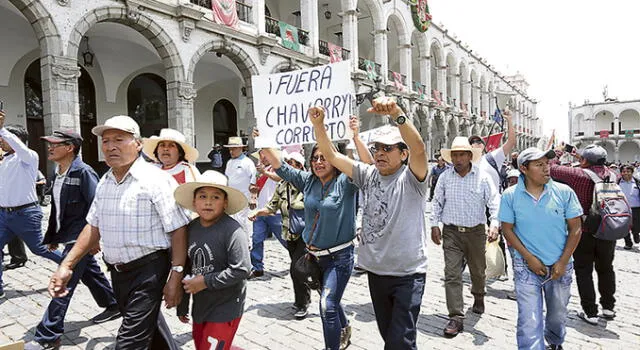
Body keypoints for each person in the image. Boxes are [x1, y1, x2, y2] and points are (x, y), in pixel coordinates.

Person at [47, 115, 191, 348]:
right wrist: (67, 265)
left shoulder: (156, 180)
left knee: (128, 342)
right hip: (118, 272)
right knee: (152, 333)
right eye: (106, 141)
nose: (111, 146)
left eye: (119, 139)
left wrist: (175, 275)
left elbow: (178, 229)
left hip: (149, 271)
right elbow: (93, 226)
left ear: (138, 144)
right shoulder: (106, 181)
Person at [309, 98, 429, 349]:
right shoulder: (367, 174)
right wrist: (319, 125)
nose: (380, 154)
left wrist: (397, 113)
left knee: (399, 341)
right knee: (391, 335)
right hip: (377, 272)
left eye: (388, 148)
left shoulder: (412, 179)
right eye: (377, 149)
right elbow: (331, 154)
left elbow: (419, 148)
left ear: (402, 153)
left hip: (408, 274)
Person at [261, 134, 359, 350]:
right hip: (313, 256)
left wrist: (356, 137)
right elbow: (281, 166)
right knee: (330, 300)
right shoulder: (308, 181)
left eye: (324, 157)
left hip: (339, 257)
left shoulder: (347, 181)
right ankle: (344, 329)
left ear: (335, 159)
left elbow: (364, 166)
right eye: (315, 158)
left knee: (327, 305)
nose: (318, 162)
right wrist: (264, 141)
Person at [25, 131, 121, 350]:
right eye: (49, 144)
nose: (50, 148)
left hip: (82, 238)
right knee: (89, 272)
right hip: (69, 236)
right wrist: (53, 237)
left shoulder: (84, 172)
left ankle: (47, 335)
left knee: (63, 281)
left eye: (54, 144)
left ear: (70, 148)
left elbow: (97, 207)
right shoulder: (57, 171)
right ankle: (112, 303)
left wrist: (94, 239)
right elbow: (57, 209)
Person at [499, 148, 583, 350]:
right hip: (525, 267)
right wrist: (529, 258)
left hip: (559, 267)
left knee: (558, 315)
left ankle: (554, 342)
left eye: (547, 164)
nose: (547, 169)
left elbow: (576, 228)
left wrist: (562, 261)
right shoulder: (510, 195)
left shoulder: (564, 192)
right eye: (539, 165)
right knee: (529, 318)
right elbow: (507, 229)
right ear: (524, 169)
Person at [430, 136, 500, 338]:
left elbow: (494, 202)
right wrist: (434, 224)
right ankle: (456, 317)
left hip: (476, 233)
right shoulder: (444, 177)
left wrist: (494, 224)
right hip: (451, 233)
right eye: (454, 155)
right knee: (452, 274)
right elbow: (436, 202)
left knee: (478, 271)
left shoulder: (483, 177)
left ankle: (479, 295)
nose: (457, 158)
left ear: (470, 156)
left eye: (461, 154)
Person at [174, 170, 251, 350]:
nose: (208, 202)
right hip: (201, 306)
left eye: (215, 197)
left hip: (226, 306)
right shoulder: (191, 228)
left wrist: (206, 281)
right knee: (202, 345)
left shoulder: (232, 230)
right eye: (202, 196)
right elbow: (186, 268)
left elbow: (242, 269)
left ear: (225, 203)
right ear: (194, 202)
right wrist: (182, 304)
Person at [549, 144, 618, 325]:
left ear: (585, 160)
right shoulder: (613, 175)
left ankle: (590, 312)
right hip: (607, 229)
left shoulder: (578, 175)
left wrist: (559, 153)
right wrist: (582, 158)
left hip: (585, 230)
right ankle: (608, 307)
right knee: (606, 268)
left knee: (584, 271)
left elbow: (552, 167)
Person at [0, 112, 62, 299]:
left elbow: (21, 149)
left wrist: (2, 128)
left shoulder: (29, 158)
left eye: (3, 138)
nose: (1, 142)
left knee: (39, 248)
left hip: (25, 214)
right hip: (4, 215)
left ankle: (71, 264)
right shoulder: (4, 161)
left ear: (16, 140)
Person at [251, 151, 312, 319]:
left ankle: (303, 303)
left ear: (300, 167)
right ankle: (304, 295)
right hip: (290, 234)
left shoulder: (308, 184)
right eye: (288, 163)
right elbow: (272, 206)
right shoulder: (282, 185)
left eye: (293, 163)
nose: (289, 166)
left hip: (306, 235)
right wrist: (258, 212)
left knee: (296, 269)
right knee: (298, 268)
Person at [247, 149, 285, 279]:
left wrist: (265, 172)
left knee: (285, 240)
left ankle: (300, 260)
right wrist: (253, 194)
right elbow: (252, 186)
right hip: (260, 210)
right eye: (260, 155)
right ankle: (257, 268)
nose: (261, 157)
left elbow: (279, 178)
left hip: (276, 211)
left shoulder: (278, 168)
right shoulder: (258, 172)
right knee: (257, 239)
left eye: (264, 155)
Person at [224, 136, 257, 248]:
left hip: (245, 198)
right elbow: (227, 179)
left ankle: (248, 246)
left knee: (246, 224)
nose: (231, 151)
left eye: (234, 148)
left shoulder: (247, 162)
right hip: (232, 198)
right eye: (230, 149)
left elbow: (254, 181)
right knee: (233, 223)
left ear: (241, 148)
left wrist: (253, 197)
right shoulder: (229, 163)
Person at [618, 164, 640, 249]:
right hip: (622, 208)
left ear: (632, 172)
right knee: (624, 227)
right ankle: (628, 243)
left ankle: (636, 234)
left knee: (637, 225)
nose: (626, 173)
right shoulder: (617, 182)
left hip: (636, 208)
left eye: (628, 171)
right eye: (623, 171)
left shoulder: (637, 182)